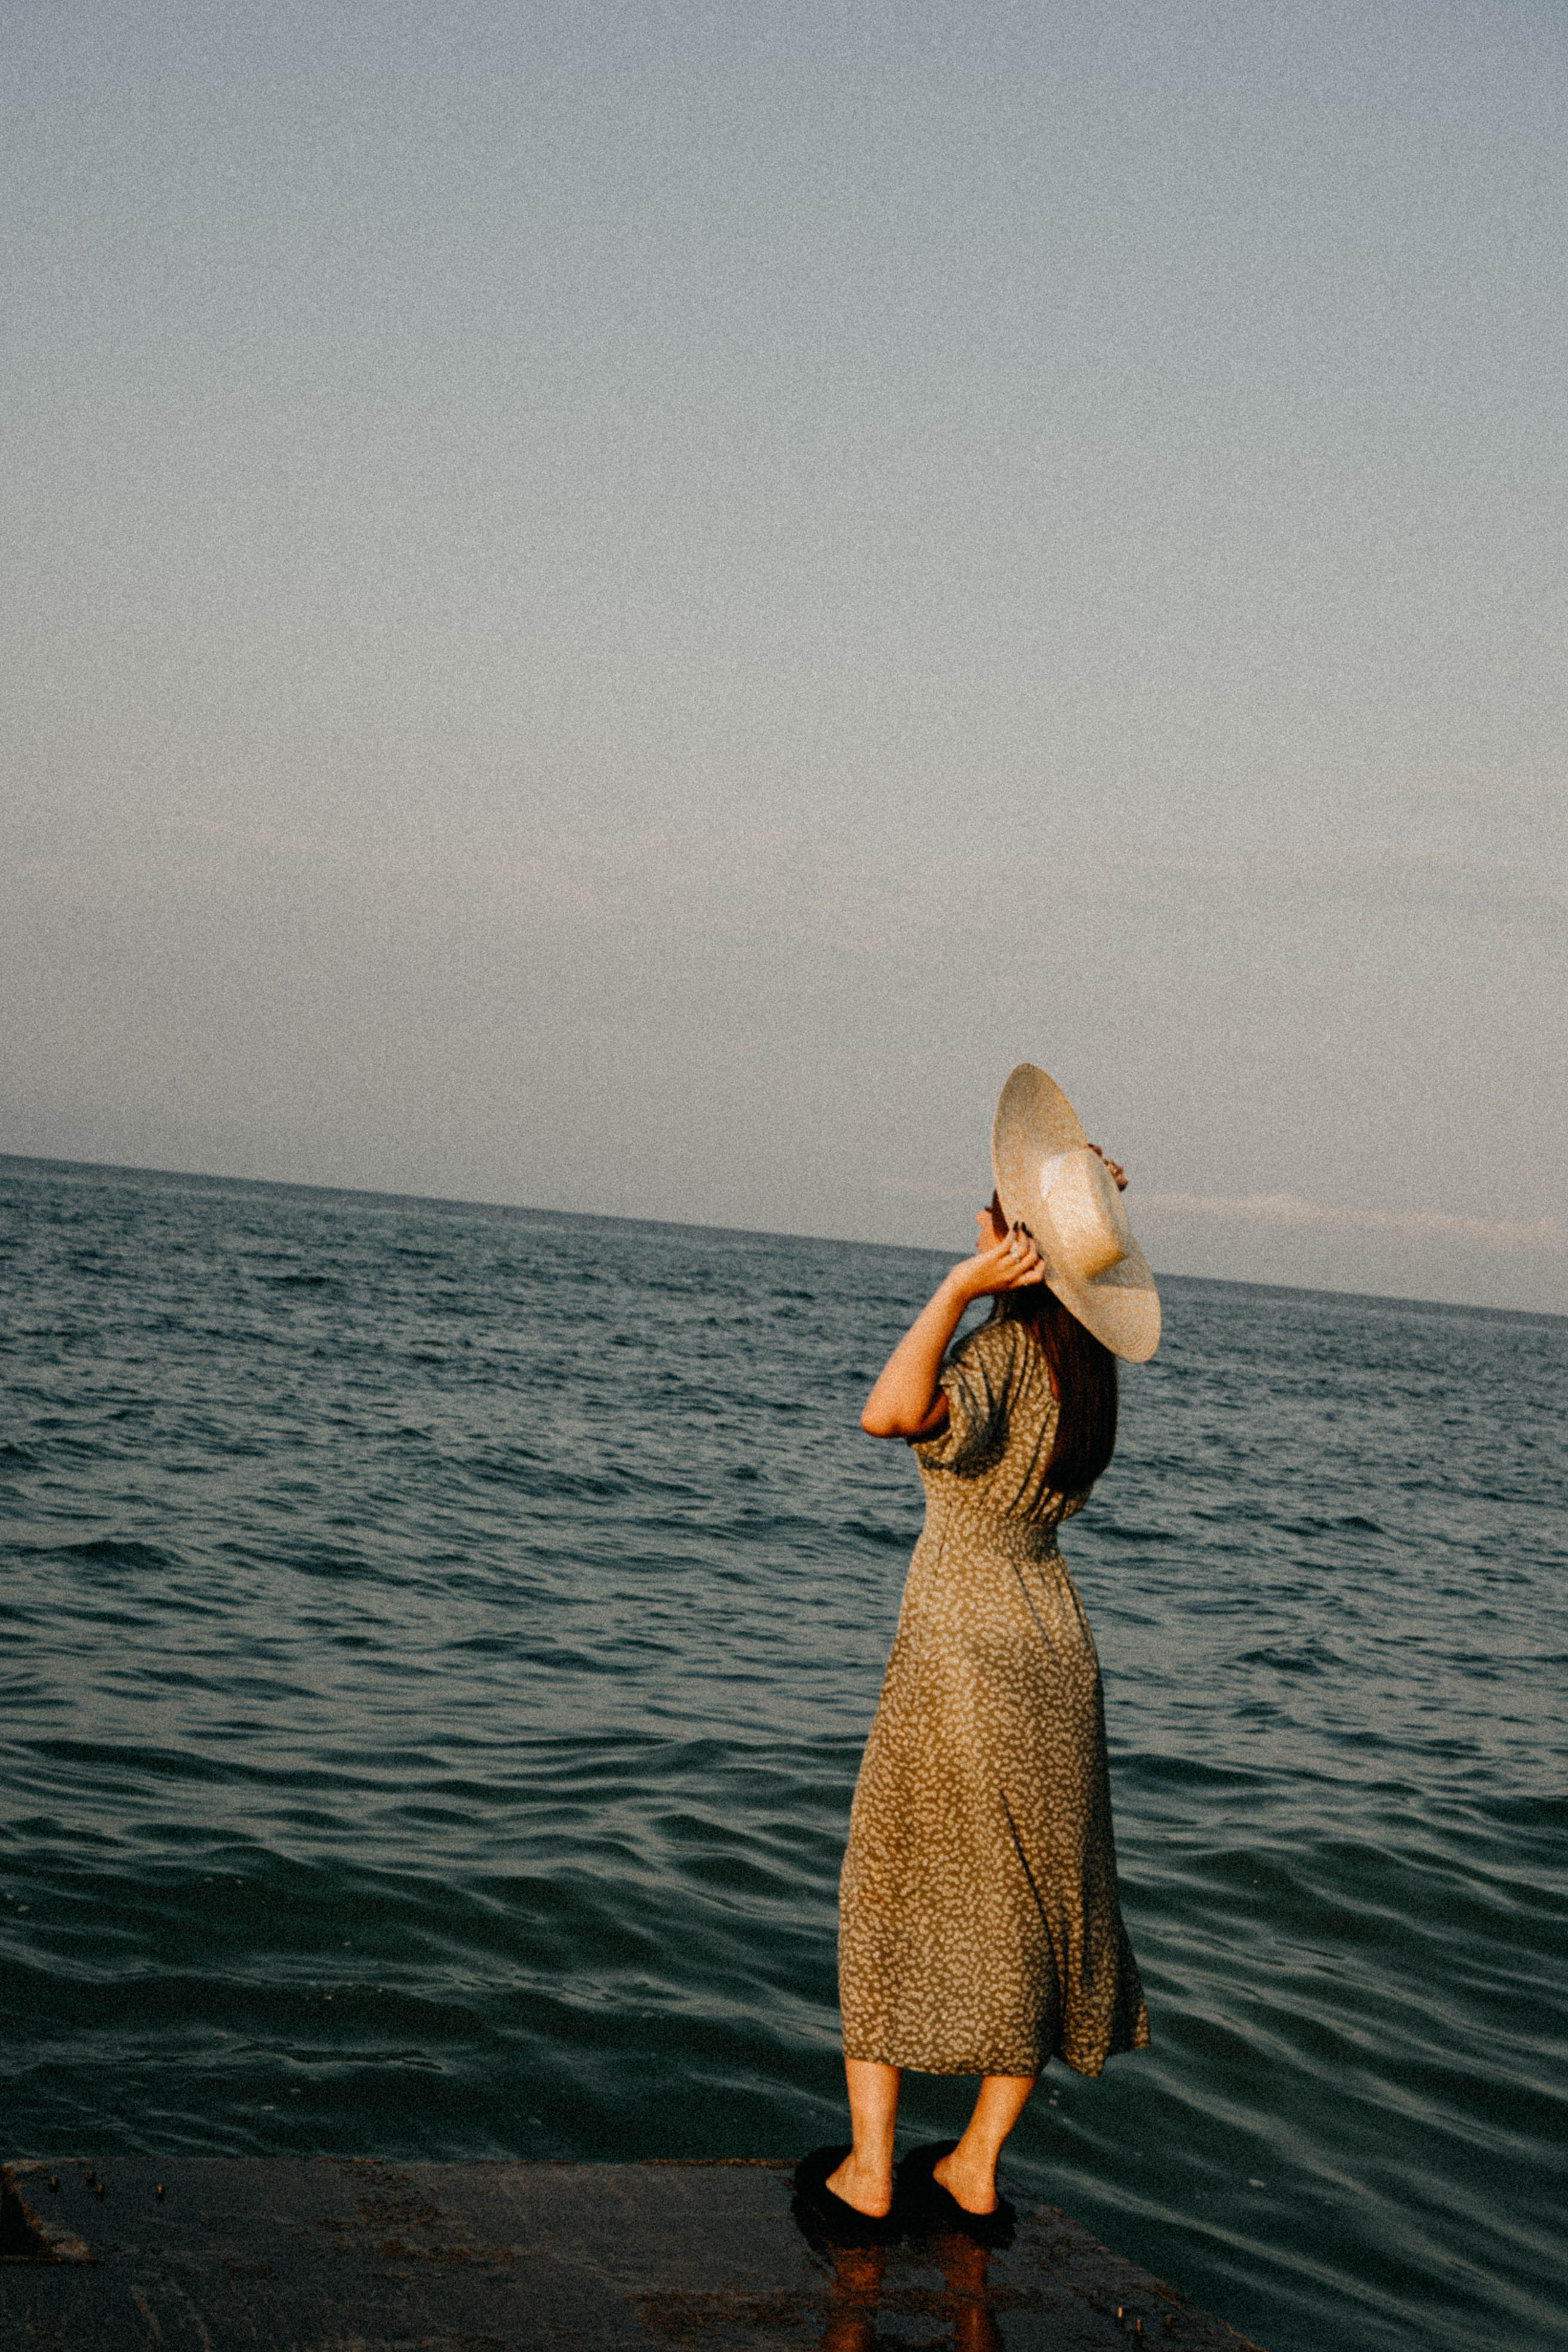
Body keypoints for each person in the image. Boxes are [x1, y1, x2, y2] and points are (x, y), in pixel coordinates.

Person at [794, 1065, 1161, 2245]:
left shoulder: (1002, 1358)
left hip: (963, 1640)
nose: (981, 1219)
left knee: (892, 1884)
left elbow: (887, 1415)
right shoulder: (1087, 1373)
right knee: (1048, 1904)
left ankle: (867, 2173)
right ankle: (976, 2168)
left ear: (1018, 1248)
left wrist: (954, 1291)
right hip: (1057, 1640)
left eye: (997, 1215)